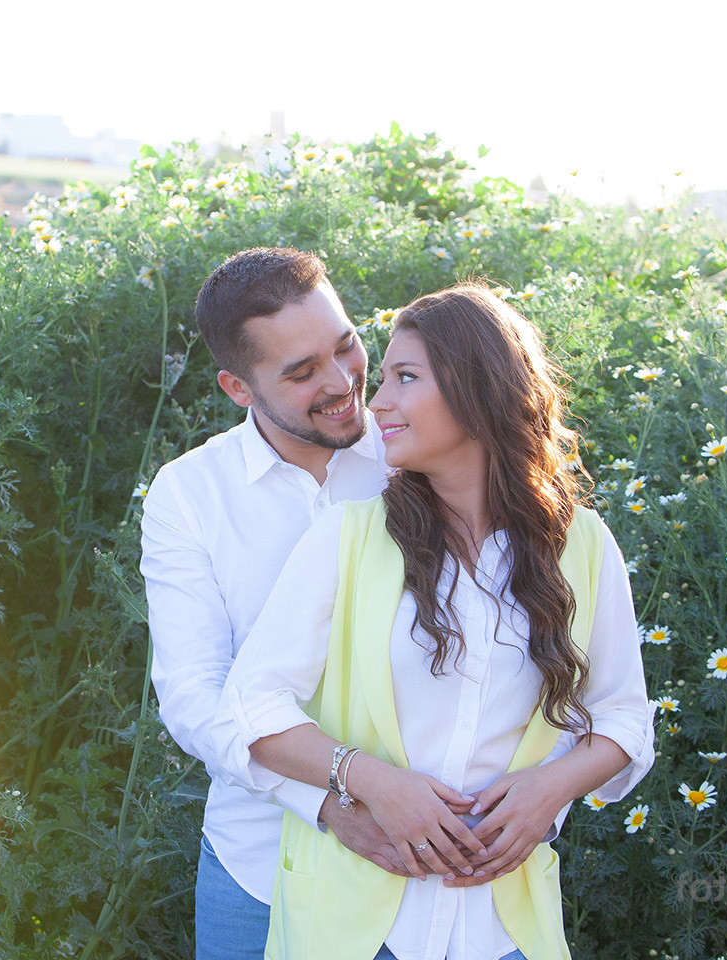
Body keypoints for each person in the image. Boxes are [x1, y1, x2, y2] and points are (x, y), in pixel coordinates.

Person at [140, 252, 592, 960]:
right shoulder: (190, 494)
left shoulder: (423, 442)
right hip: (258, 866)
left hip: (446, 886)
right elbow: (197, 697)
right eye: (300, 373)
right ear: (237, 385)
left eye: (346, 345)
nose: (343, 383)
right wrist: (331, 804)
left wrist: (535, 804)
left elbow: (540, 645)